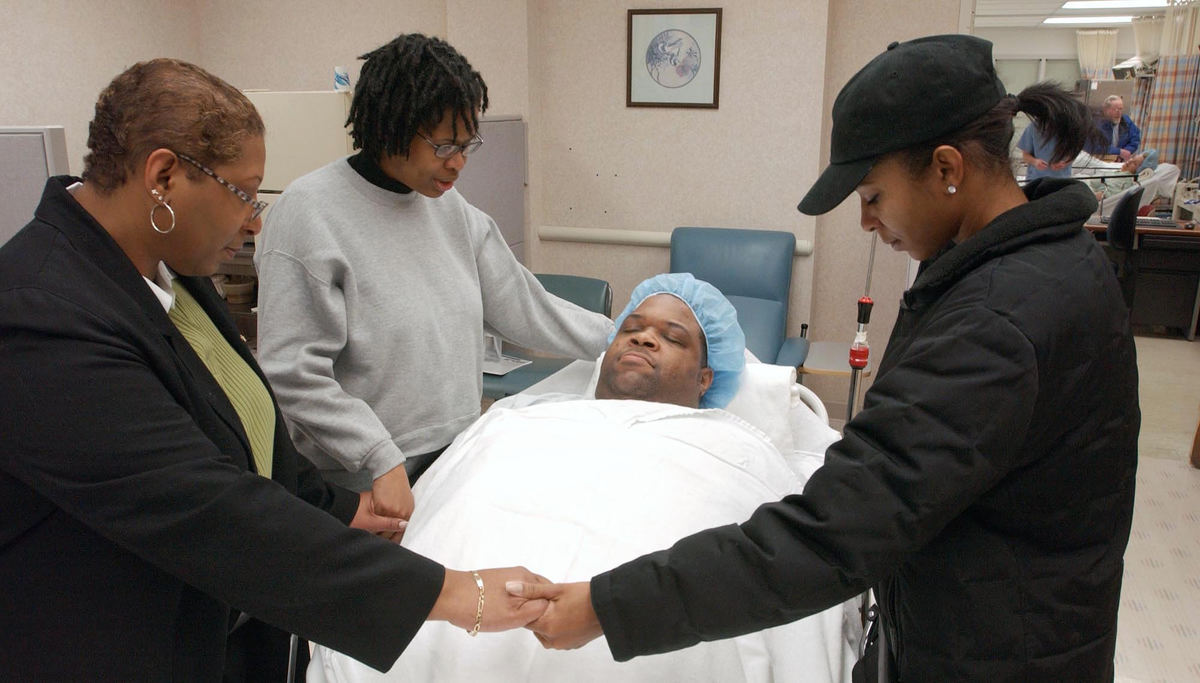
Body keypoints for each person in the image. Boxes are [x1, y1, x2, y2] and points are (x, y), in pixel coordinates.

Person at [509, 35, 1140, 682]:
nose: (867, 221)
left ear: (948, 169)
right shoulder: (1035, 266)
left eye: (872, 196)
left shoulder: (998, 321)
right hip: (967, 618)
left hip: (993, 652)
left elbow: (833, 531)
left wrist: (608, 605)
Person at [0, 58, 548, 682]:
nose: (255, 220)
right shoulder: (40, 316)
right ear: (164, 176)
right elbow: (206, 504)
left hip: (227, 627)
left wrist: (339, 508)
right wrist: (452, 594)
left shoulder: (167, 273)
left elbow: (244, 435)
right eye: (243, 193)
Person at [309, 274, 855, 683]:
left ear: (707, 378)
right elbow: (447, 491)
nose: (642, 339)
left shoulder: (735, 445)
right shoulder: (517, 418)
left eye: (672, 337)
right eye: (633, 328)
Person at [255, 33, 613, 524]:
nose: (458, 164)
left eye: (467, 145)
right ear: (390, 124)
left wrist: (622, 338)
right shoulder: (308, 214)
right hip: (364, 480)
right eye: (444, 145)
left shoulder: (450, 210)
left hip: (455, 453)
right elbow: (291, 372)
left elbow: (527, 308)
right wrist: (379, 455)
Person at [1016, 114, 1072, 180]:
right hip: (1036, 181)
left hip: (1062, 181)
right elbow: (1025, 156)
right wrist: (1035, 162)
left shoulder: (1068, 129)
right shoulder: (1033, 127)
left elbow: (1073, 155)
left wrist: (1064, 163)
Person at [1089, 94, 1142, 161]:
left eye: (1120, 109)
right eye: (1115, 109)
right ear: (1105, 110)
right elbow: (1094, 146)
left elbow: (1135, 139)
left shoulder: (1126, 121)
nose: (1118, 113)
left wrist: (1125, 152)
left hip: (1119, 161)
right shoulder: (1096, 122)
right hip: (1098, 160)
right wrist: (1119, 151)